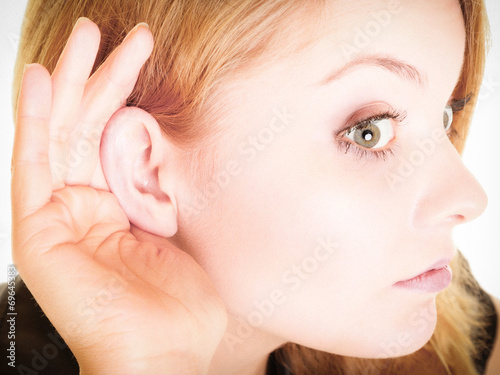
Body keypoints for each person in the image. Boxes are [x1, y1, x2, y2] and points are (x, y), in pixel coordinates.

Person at [1, 0, 499, 373]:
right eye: (370, 131)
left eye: (445, 115)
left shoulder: (460, 322)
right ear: (146, 172)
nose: (468, 196)